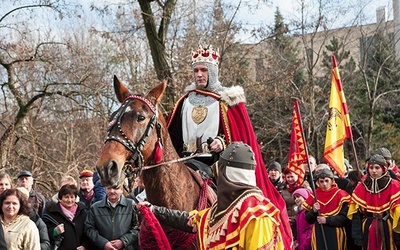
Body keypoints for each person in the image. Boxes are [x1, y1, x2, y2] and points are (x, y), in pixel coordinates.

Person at [167, 45, 292, 249]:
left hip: (219, 164)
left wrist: (222, 142)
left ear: (213, 72)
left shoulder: (227, 100)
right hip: (185, 160)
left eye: (204, 70)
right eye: (196, 70)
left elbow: (239, 138)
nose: (199, 75)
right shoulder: (184, 101)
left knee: (223, 196)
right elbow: (172, 137)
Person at [137, 142, 285, 249]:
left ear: (226, 175)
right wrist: (154, 210)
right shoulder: (220, 209)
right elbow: (189, 221)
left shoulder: (256, 213)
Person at [348, 154, 400, 249]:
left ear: (384, 169)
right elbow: (357, 215)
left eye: (377, 168)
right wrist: (357, 235)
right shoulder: (362, 186)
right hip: (368, 226)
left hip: (387, 227)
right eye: (371, 168)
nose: (374, 171)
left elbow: (397, 214)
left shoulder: (394, 185)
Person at [303, 168, 350, 250]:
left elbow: (345, 218)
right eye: (321, 181)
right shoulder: (314, 195)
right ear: (317, 182)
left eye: (326, 181)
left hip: (335, 232)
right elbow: (308, 219)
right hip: (319, 232)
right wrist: (313, 211)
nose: (324, 184)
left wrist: (327, 220)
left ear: (332, 181)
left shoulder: (341, 195)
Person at [84, 185, 139, 250]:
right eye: (109, 188)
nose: (112, 191)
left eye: (115, 188)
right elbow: (89, 229)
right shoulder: (95, 207)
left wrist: (123, 241)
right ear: (105, 189)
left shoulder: (131, 205)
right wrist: (103, 243)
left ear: (121, 189)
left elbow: (137, 227)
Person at [43, 184, 89, 250]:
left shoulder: (83, 212)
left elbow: (90, 232)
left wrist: (85, 246)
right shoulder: (51, 214)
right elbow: (43, 234)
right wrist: (55, 231)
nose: (69, 200)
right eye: (66, 197)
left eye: (72, 197)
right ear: (60, 199)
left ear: (75, 198)